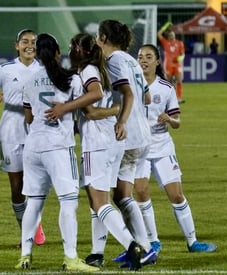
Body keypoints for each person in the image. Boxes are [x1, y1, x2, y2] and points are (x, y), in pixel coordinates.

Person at [15, 33, 98, 273]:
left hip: (33, 147)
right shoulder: (69, 79)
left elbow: (29, 118)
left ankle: (25, 256)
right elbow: (86, 105)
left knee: (34, 203)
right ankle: (71, 258)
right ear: (58, 52)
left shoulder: (29, 81)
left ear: (38, 54)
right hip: (59, 147)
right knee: (68, 203)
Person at [69, 32, 144, 271]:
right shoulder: (101, 69)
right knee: (100, 200)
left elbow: (91, 111)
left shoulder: (89, 72)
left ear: (81, 50)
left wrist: (113, 112)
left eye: (73, 46)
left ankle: (133, 246)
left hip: (97, 141)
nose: (70, 50)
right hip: (111, 141)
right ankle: (97, 253)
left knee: (99, 201)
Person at [134, 43, 217, 253]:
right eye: (140, 56)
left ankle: (192, 241)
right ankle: (153, 241)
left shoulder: (166, 88)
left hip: (162, 146)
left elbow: (177, 122)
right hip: (138, 147)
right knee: (141, 192)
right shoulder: (130, 85)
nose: (143, 60)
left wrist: (169, 119)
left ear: (157, 61)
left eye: (148, 56)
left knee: (176, 195)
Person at [0, 29, 45, 246]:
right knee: (17, 187)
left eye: (33, 42)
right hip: (10, 133)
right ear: (16, 45)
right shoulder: (5, 69)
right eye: (25, 42)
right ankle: (26, 232)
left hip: (37, 131)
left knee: (34, 183)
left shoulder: (44, 69)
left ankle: (35, 227)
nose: (29, 45)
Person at [157, 22, 185, 104]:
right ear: (168, 36)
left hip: (177, 64)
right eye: (170, 35)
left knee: (179, 81)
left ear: (175, 35)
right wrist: (165, 26)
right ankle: (167, 98)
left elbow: (183, 54)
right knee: (168, 82)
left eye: (173, 34)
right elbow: (159, 34)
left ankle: (179, 98)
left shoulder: (180, 43)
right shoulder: (165, 42)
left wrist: (180, 58)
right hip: (168, 65)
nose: (172, 36)